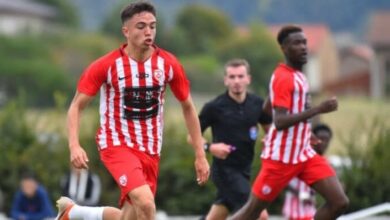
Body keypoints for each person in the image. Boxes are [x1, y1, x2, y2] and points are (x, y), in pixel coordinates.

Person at [55, 1, 210, 220]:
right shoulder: (106, 65)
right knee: (147, 205)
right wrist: (74, 145)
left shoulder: (168, 64)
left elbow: (188, 107)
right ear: (126, 31)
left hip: (150, 150)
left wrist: (200, 155)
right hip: (117, 144)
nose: (149, 31)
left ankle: (73, 213)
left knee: (130, 216)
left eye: (153, 26)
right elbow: (76, 106)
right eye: (141, 26)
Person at [229, 25, 349, 220]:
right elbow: (280, 121)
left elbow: (267, 108)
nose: (303, 47)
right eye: (296, 43)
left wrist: (304, 132)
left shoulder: (299, 76)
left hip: (304, 154)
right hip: (280, 160)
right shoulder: (283, 78)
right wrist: (319, 109)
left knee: (339, 202)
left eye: (304, 42)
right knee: (252, 211)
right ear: (284, 49)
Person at [189, 59, 271, 220]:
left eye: (240, 76)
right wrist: (210, 147)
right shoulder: (214, 107)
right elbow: (192, 136)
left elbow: (272, 130)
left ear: (248, 79)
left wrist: (270, 141)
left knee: (218, 214)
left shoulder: (257, 104)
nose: (236, 81)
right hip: (224, 171)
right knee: (260, 215)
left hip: (245, 169)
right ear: (226, 80)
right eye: (232, 77)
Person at [282, 123, 333, 220]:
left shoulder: (325, 162)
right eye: (321, 139)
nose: (324, 143)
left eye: (327, 140)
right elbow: (284, 180)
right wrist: (301, 195)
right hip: (294, 211)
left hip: (311, 211)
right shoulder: (301, 157)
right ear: (313, 138)